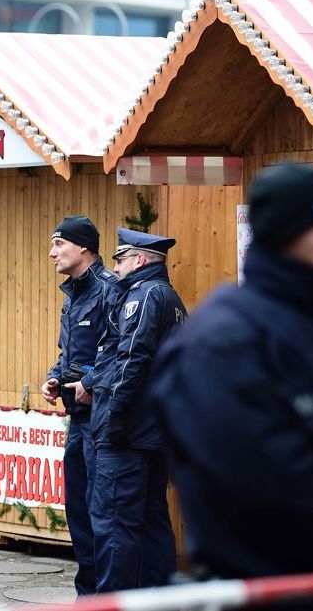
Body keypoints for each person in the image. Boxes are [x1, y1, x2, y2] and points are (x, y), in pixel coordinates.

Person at [151, 164, 313, 584]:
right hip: (268, 587)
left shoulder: (303, 323)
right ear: (292, 233)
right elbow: (257, 482)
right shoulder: (223, 341)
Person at [89, 227, 186, 592]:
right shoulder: (171, 298)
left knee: (114, 524)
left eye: (120, 259)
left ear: (140, 260)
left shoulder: (143, 295)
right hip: (154, 431)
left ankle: (111, 602)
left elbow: (132, 358)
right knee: (151, 521)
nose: (116, 267)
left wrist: (113, 414)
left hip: (128, 432)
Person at [41, 215, 118, 596]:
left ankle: (103, 598)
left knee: (101, 514)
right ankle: (87, 596)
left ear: (83, 247)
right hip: (77, 417)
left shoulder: (109, 290)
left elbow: (121, 349)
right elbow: (69, 352)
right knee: (79, 513)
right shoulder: (73, 294)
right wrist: (55, 377)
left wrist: (90, 381)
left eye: (59, 244)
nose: (52, 253)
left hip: (103, 422)